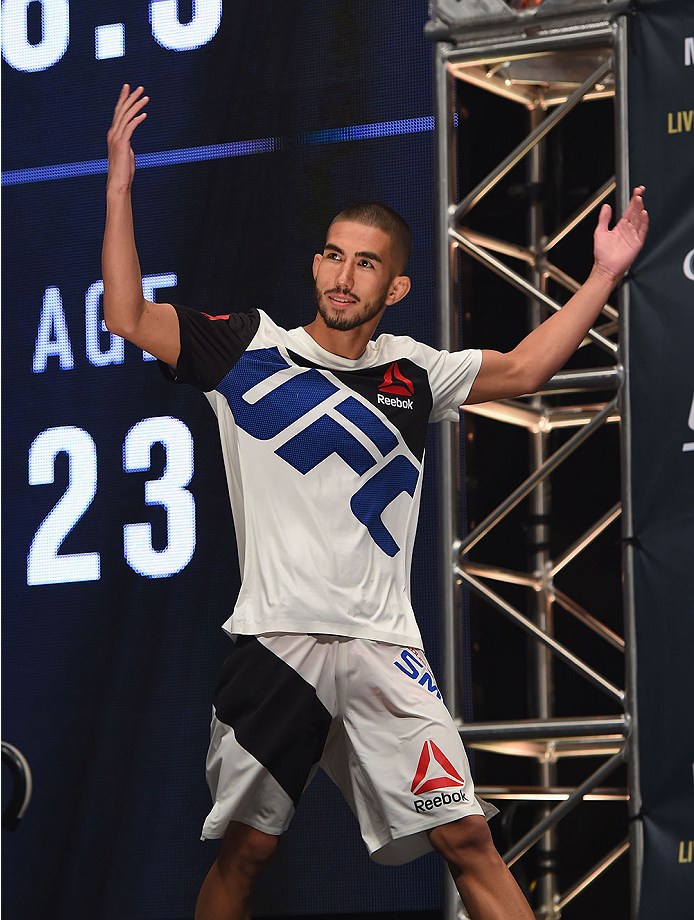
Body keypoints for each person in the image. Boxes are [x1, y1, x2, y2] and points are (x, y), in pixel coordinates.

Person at [102, 85, 648, 920]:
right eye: (331, 255)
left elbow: (528, 370)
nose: (341, 275)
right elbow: (128, 315)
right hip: (276, 640)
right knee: (249, 853)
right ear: (314, 265)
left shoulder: (415, 372)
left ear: (393, 286)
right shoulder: (246, 348)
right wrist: (118, 188)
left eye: (364, 263)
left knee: (468, 840)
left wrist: (604, 273)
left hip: (384, 649)